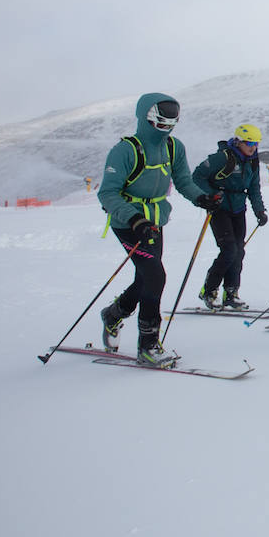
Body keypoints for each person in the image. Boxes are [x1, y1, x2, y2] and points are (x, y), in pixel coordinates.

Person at [97, 93, 220, 364]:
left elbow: (184, 181)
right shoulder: (125, 150)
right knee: (155, 276)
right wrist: (134, 220)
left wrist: (202, 198)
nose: (165, 129)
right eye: (160, 124)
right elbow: (107, 193)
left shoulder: (174, 148)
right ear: (146, 117)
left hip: (154, 223)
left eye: (169, 125)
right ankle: (148, 345)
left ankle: (114, 314)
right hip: (128, 223)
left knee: (145, 278)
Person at [192, 123, 269, 311]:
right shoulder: (223, 157)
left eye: (256, 143)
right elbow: (197, 176)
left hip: (238, 208)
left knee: (238, 251)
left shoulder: (253, 160)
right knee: (229, 251)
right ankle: (209, 291)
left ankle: (231, 293)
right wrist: (211, 196)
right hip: (220, 208)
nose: (253, 147)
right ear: (238, 141)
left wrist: (259, 210)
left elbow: (253, 188)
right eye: (249, 143)